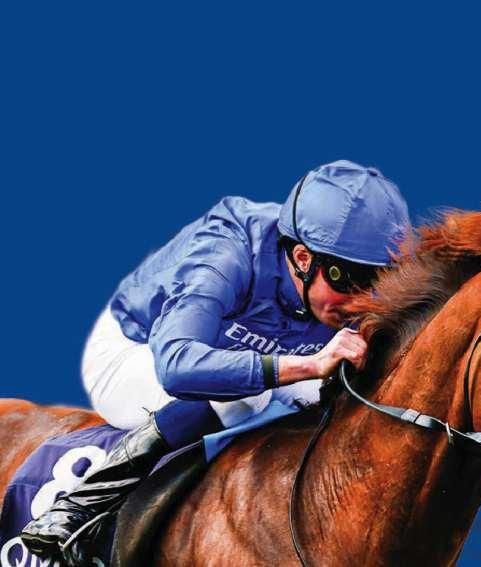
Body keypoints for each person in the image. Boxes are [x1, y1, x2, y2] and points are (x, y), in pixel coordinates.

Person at [20, 159, 410, 565]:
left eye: (376, 281)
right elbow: (177, 368)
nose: (360, 302)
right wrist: (308, 366)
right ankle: (77, 509)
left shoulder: (343, 291)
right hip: (135, 351)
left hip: (236, 356)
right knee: (245, 398)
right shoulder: (228, 251)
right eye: (348, 279)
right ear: (302, 257)